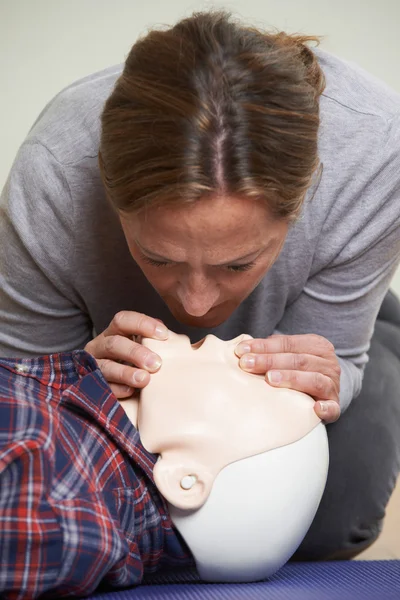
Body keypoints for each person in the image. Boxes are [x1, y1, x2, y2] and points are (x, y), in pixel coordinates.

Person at [0, 7, 400, 588]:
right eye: (158, 257)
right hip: (93, 330)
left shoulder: (375, 155)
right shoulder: (55, 177)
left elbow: (335, 358)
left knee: (331, 524)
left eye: (238, 263)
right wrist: (74, 375)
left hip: (304, 318)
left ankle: (387, 335)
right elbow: (22, 380)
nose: (194, 307)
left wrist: (332, 368)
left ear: (300, 207)